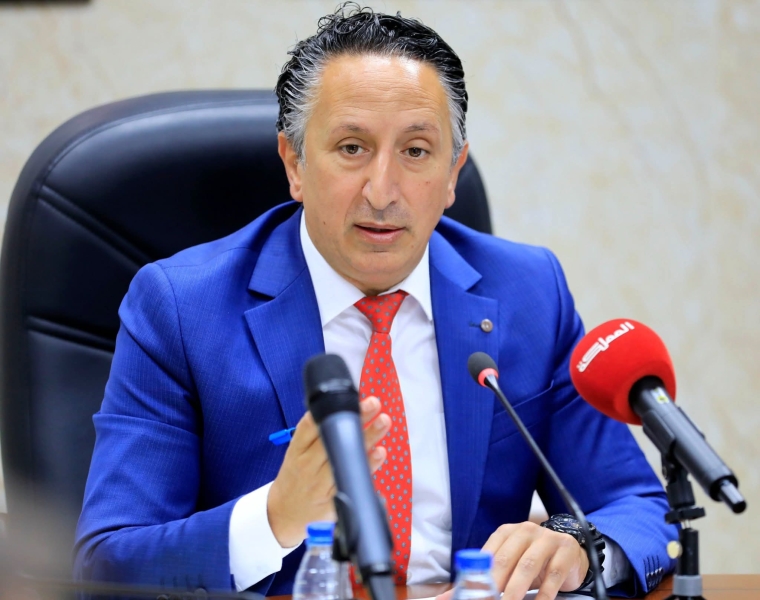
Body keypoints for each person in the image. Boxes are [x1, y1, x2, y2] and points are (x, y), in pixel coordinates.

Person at [74, 4, 677, 599]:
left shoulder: (528, 292)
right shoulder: (181, 308)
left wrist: (579, 549)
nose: (383, 192)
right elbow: (107, 564)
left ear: (452, 172)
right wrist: (276, 517)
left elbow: (636, 506)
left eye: (416, 151)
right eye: (352, 147)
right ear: (294, 163)